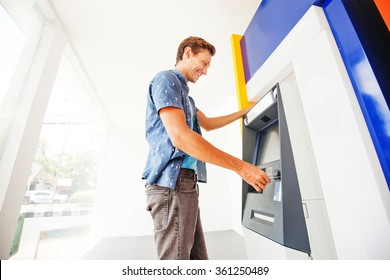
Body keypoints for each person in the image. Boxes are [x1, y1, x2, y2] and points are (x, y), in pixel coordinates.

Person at [142, 36, 270, 260]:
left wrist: (246, 111)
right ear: (188, 52)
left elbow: (208, 123)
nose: (206, 70)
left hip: (185, 185)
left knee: (198, 261)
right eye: (205, 63)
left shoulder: (187, 99)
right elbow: (181, 137)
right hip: (171, 185)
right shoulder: (166, 80)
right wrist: (241, 168)